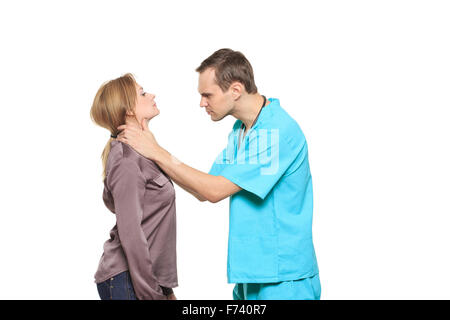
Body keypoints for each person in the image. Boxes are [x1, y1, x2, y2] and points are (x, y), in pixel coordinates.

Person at [117, 49, 321, 300]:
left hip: (284, 278)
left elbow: (213, 191)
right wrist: (153, 152)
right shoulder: (240, 131)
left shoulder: (275, 132)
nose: (202, 103)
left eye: (207, 95)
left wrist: (156, 151)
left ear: (235, 90)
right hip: (251, 276)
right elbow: (203, 189)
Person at [90, 73, 177, 300]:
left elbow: (152, 224)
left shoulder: (143, 153)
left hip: (143, 279)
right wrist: (151, 294)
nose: (152, 94)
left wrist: (166, 290)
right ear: (128, 109)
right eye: (143, 92)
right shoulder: (127, 160)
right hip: (126, 280)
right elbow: (131, 234)